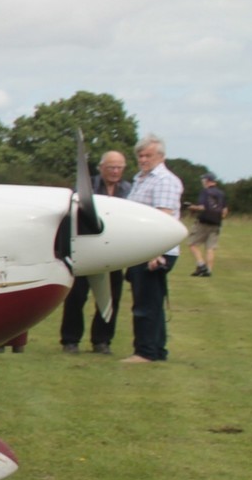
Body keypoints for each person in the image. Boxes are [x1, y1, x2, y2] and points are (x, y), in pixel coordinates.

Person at [59, 150, 131, 354]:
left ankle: (102, 340)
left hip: (114, 252)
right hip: (86, 250)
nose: (116, 171)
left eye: (119, 168)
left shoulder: (128, 190)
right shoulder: (86, 188)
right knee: (76, 296)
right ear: (101, 168)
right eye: (111, 167)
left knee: (111, 297)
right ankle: (70, 340)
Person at [123, 136, 183, 363]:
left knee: (146, 302)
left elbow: (163, 219)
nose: (143, 159)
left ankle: (145, 352)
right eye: (140, 155)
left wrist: (156, 252)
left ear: (161, 156)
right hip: (141, 248)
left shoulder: (164, 181)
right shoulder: (140, 179)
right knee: (150, 300)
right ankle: (157, 351)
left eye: (148, 155)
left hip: (155, 249)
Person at [186, 174, 228, 277]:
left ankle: (201, 265)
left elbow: (202, 207)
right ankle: (208, 271)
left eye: (204, 180)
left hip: (204, 221)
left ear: (207, 181)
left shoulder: (205, 192)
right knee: (210, 248)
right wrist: (220, 218)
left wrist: (191, 207)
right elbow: (225, 210)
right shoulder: (221, 194)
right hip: (216, 223)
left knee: (193, 244)